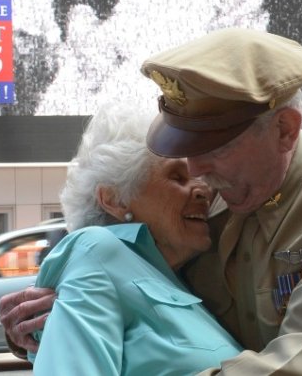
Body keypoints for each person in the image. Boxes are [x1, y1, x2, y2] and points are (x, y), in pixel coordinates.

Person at [1, 28, 302, 375]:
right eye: (185, 149)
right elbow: (148, 300)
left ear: (284, 130)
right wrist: (57, 321)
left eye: (215, 147)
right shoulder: (208, 206)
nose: (196, 170)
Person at [30, 104, 241, 375]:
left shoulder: (178, 274)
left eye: (198, 177)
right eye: (177, 177)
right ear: (114, 200)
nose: (204, 190)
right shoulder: (95, 252)